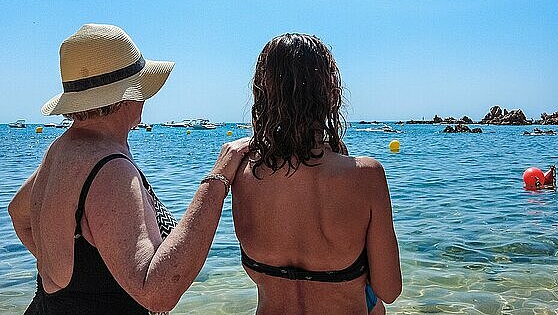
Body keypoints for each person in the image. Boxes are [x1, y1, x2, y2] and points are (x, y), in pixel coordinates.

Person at [8, 24, 249, 314]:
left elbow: (18, 215)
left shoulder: (62, 150)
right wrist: (218, 179)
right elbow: (157, 293)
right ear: (125, 95)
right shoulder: (110, 169)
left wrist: (65, 281)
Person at [232, 33, 402, 315]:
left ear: (262, 93)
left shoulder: (241, 175)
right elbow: (389, 290)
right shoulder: (366, 176)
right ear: (329, 93)